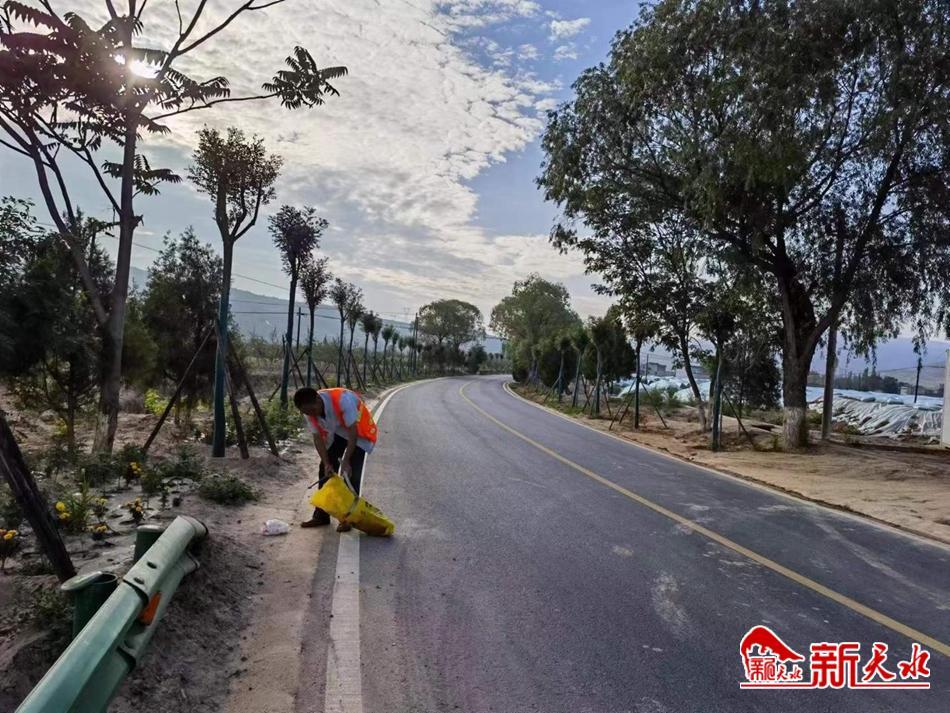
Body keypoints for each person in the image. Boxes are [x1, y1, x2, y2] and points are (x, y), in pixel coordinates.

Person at [293, 386, 378, 531]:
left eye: (313, 410)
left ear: (318, 400)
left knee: (351, 474)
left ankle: (347, 519)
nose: (312, 415)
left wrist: (346, 461)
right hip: (338, 430)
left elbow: (352, 433)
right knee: (325, 470)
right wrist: (327, 463)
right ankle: (321, 515)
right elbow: (317, 438)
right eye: (307, 412)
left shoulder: (343, 400)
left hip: (358, 434)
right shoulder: (309, 411)